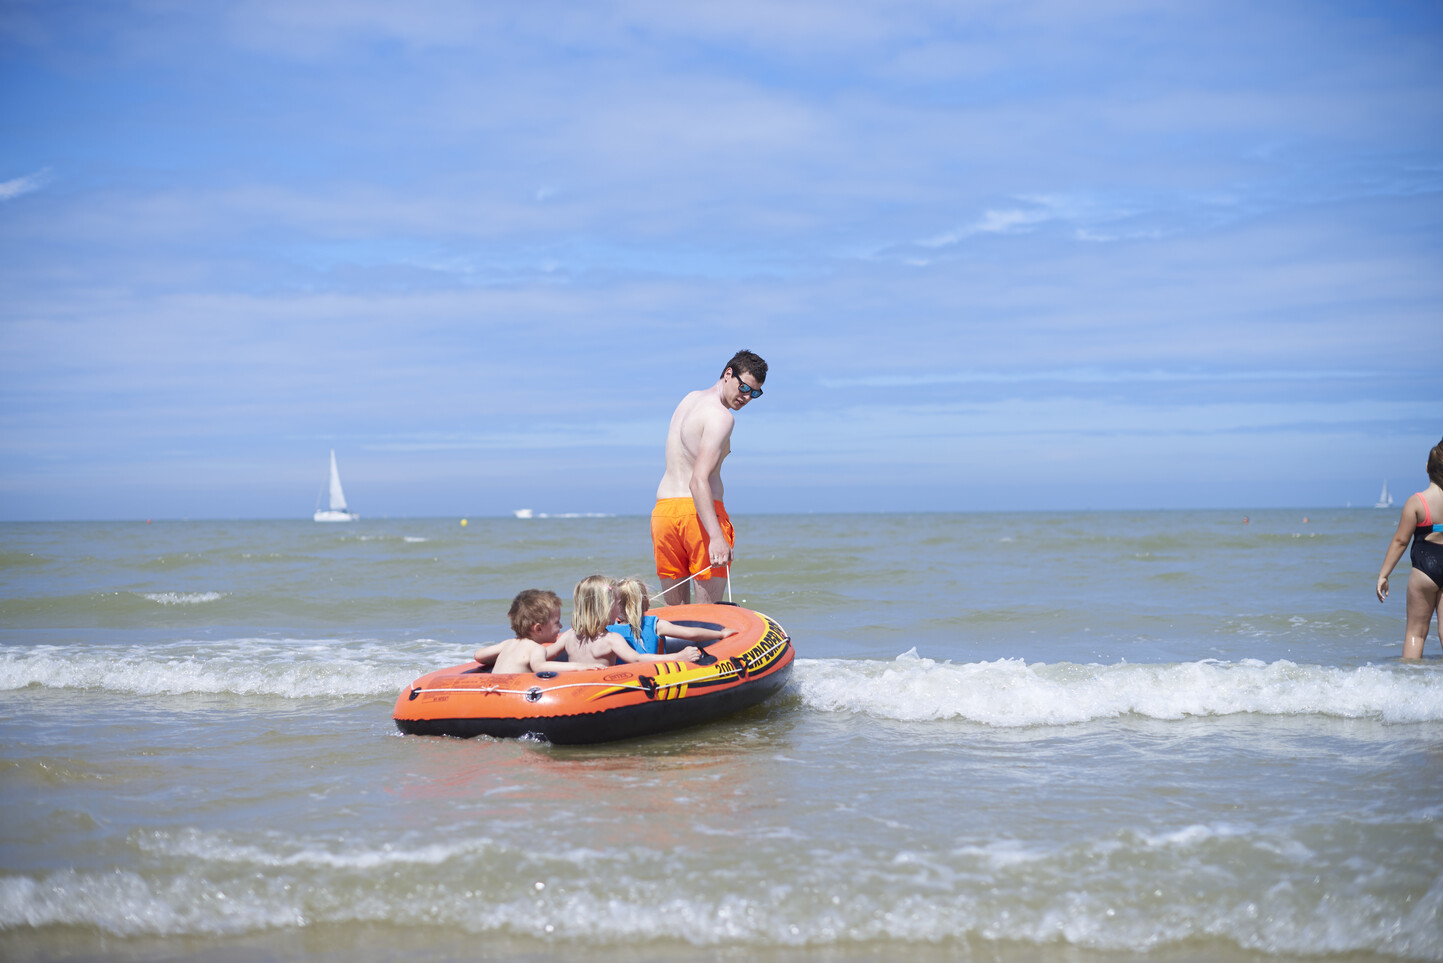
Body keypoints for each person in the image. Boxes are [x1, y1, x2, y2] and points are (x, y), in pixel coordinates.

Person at [653, 349, 768, 605]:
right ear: (728, 374)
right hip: (698, 516)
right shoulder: (721, 417)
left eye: (755, 393)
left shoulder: (689, 399)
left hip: (664, 514)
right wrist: (716, 537)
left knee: (677, 617)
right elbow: (698, 480)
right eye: (744, 388)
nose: (747, 397)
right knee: (708, 617)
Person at [1376, 437, 1443, 659]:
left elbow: (1400, 541)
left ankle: (1410, 685)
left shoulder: (1417, 502)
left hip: (1424, 569)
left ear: (1427, 468)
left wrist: (1384, 574)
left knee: (1416, 633)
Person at [559, 575, 703, 667]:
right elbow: (637, 659)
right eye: (616, 602)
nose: (618, 606)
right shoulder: (612, 638)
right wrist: (678, 657)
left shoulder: (569, 635)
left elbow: (540, 659)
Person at [607, 577, 738, 655]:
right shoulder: (655, 625)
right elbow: (691, 633)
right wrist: (720, 634)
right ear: (646, 603)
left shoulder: (609, 630)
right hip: (654, 676)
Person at [472, 589, 590, 675]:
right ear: (538, 629)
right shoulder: (536, 648)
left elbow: (479, 655)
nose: (561, 625)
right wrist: (579, 667)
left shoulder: (508, 644)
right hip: (511, 695)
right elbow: (539, 666)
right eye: (557, 622)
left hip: (494, 690)